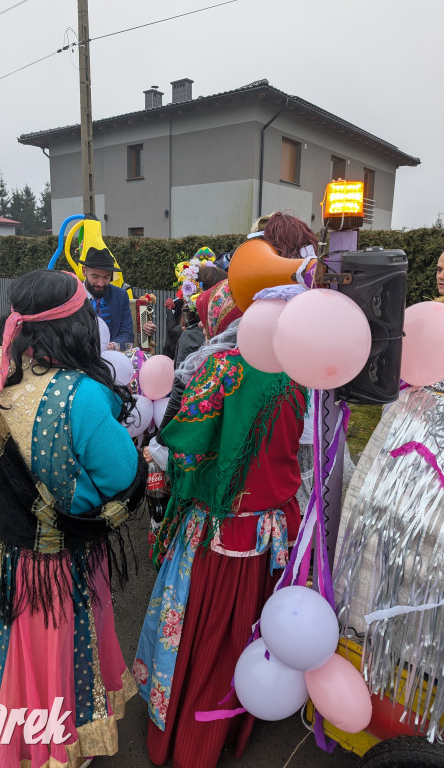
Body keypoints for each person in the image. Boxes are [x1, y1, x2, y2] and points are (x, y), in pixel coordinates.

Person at [0, 268, 147, 765]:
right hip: (48, 569)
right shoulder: (80, 395)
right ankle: (46, 749)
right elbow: (119, 481)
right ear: (79, 326)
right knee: (45, 662)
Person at [134, 280, 308, 768]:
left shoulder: (223, 368)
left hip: (217, 526)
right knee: (248, 628)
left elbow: (183, 443)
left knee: (203, 629)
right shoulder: (304, 376)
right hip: (271, 525)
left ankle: (191, 740)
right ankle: (234, 725)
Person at [78, 245, 135, 349]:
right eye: (95, 276)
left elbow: (127, 335)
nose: (100, 283)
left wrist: (111, 346)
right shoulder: (71, 295)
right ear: (84, 271)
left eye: (106, 277)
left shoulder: (120, 296)